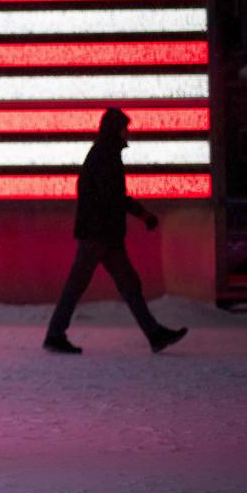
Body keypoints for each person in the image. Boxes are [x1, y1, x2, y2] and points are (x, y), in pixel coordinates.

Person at [44, 107, 188, 355]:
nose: (127, 133)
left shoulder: (102, 153)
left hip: (100, 234)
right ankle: (55, 335)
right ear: (115, 129)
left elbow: (107, 196)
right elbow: (114, 197)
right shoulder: (106, 156)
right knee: (103, 284)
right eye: (124, 128)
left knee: (120, 283)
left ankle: (154, 333)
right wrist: (143, 214)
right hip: (100, 235)